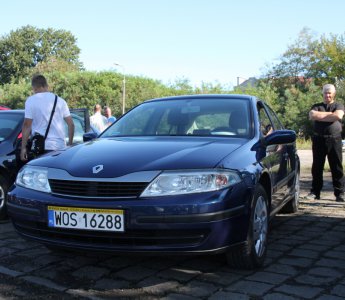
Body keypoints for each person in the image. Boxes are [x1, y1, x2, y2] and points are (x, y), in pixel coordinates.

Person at [20, 74, 74, 161]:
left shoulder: (30, 101)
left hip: (39, 147)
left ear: (34, 88)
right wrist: (70, 144)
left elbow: (27, 125)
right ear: (46, 85)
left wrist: (23, 148)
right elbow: (71, 124)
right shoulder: (60, 101)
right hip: (59, 147)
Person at [307, 83, 345, 201]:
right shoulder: (316, 106)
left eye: (329, 93)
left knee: (336, 167)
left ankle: (340, 193)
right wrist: (330, 115)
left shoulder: (339, 105)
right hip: (319, 139)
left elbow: (338, 116)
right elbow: (312, 115)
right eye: (325, 93)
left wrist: (322, 116)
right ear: (322, 94)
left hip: (334, 139)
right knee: (317, 166)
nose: (327, 95)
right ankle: (315, 192)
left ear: (333, 94)